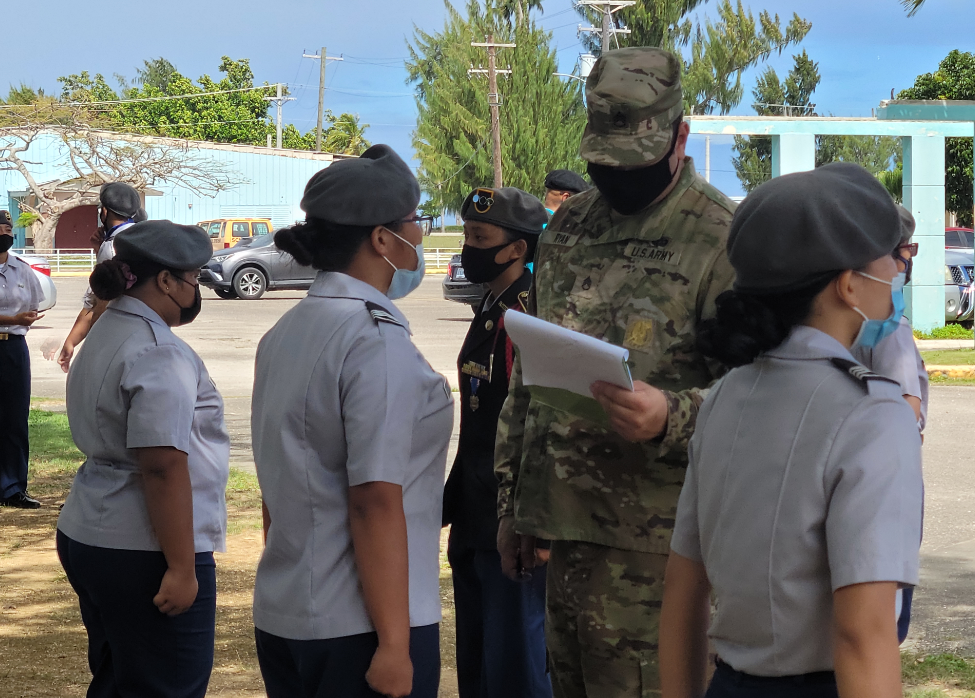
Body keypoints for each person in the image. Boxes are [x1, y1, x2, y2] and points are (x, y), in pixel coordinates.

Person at [494, 47, 736, 697]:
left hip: (661, 552)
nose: (618, 177)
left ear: (678, 137)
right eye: (606, 161)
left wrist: (671, 416)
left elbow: (758, 397)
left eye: (635, 161)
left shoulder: (720, 237)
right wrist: (515, 501)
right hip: (564, 536)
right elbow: (530, 372)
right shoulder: (570, 225)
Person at [659, 163, 923, 698]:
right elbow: (863, 633)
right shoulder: (872, 414)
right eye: (887, 260)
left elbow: (683, 592)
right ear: (849, 284)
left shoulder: (726, 398)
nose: (895, 274)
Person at [251, 144, 452, 698]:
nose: (421, 234)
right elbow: (374, 498)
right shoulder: (373, 341)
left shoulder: (287, 331)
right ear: (382, 239)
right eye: (416, 221)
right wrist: (393, 645)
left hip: (290, 605)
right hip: (360, 625)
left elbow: (278, 479)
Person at [57, 220, 230, 698]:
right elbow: (162, 464)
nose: (197, 292)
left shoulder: (109, 330)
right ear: (166, 281)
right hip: (144, 547)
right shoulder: (157, 351)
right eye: (194, 280)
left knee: (119, 679)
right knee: (167, 683)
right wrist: (180, 567)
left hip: (92, 526)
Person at [443, 187, 551, 698]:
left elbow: (536, 426)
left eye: (480, 237)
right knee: (479, 666)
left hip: (510, 525)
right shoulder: (492, 308)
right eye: (467, 234)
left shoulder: (528, 318)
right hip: (474, 515)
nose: (469, 246)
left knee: (514, 669)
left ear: (517, 250)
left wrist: (531, 519)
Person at [851, 203, 928, 645]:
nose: (906, 265)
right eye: (904, 253)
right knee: (877, 635)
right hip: (880, 506)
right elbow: (905, 412)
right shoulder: (888, 328)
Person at [58, 181, 143, 373]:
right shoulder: (139, 237)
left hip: (116, 338)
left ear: (104, 212)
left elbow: (98, 302)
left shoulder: (112, 244)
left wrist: (83, 343)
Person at [0, 209, 44, 509]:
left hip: (14, 348)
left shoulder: (22, 269)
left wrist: (21, 319)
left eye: (7, 228)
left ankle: (14, 487)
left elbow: (33, 304)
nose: (5, 233)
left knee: (15, 418)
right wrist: (12, 316)